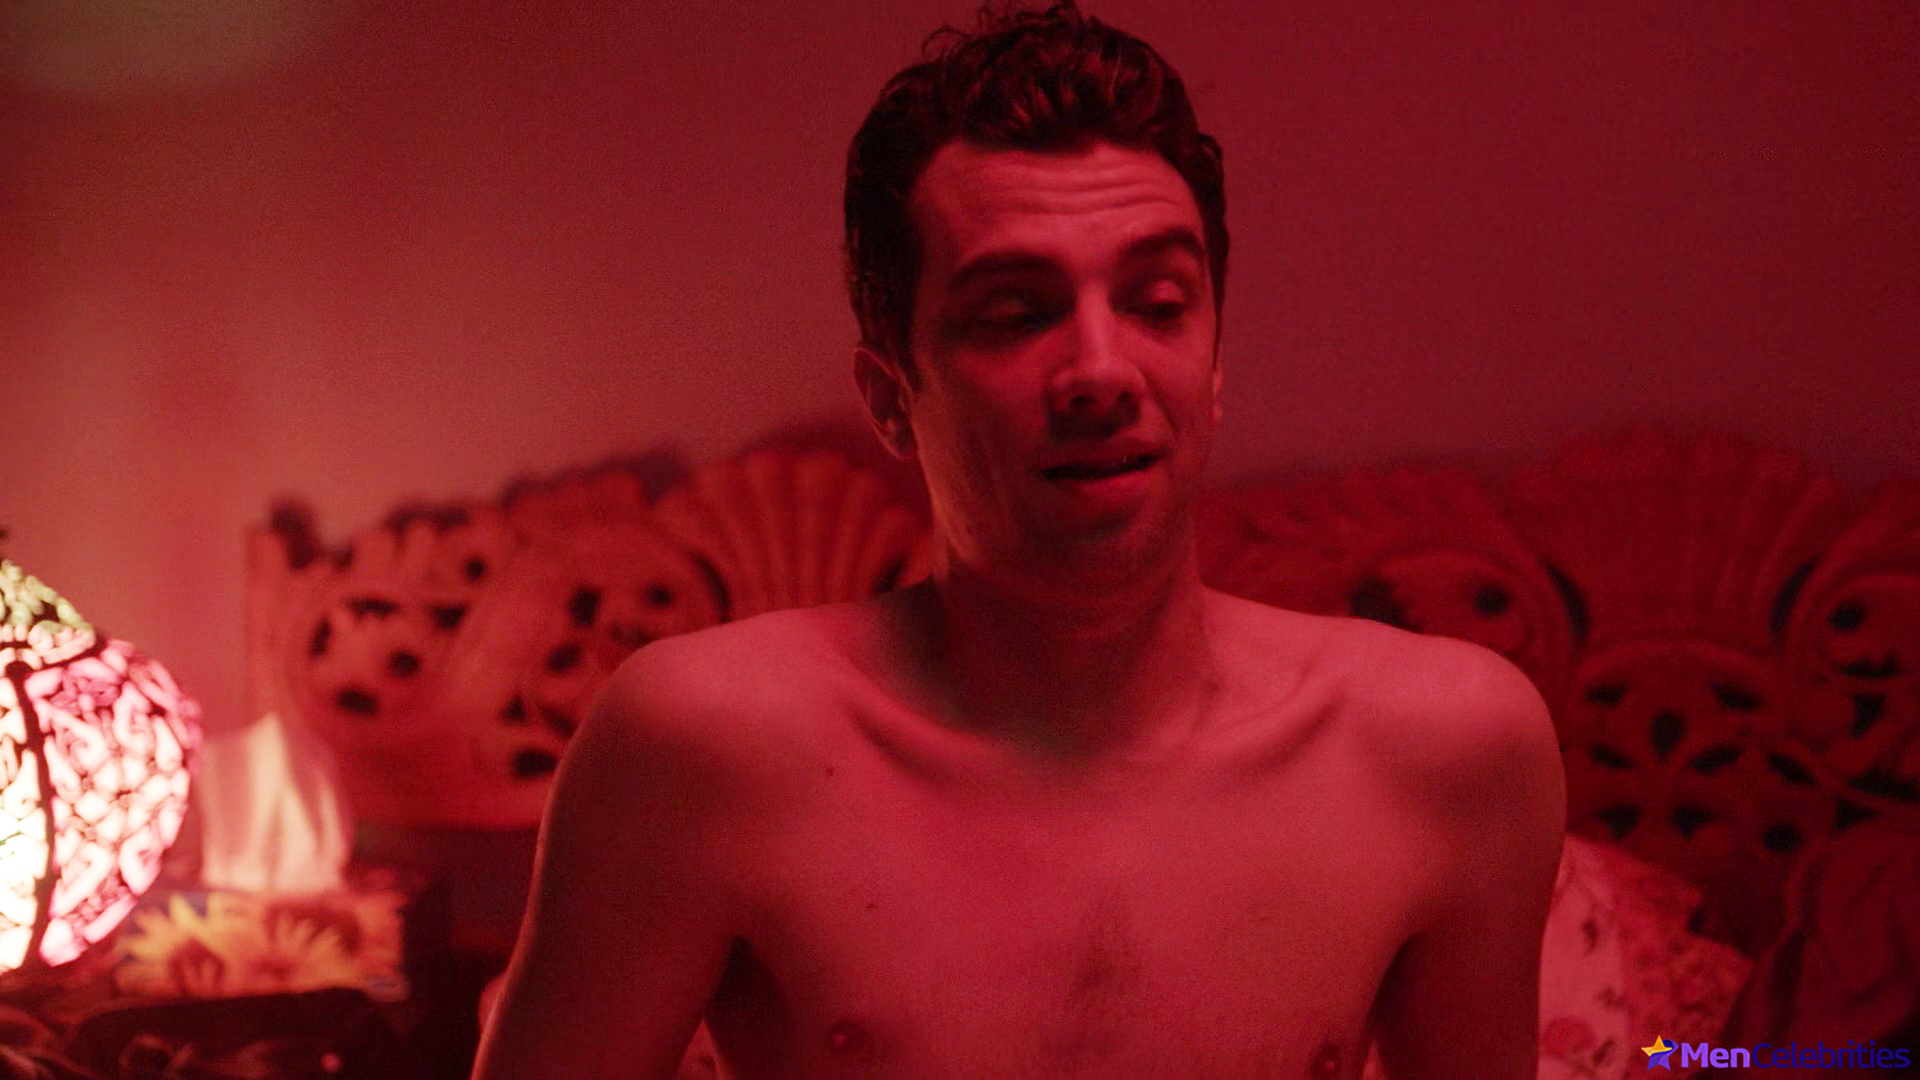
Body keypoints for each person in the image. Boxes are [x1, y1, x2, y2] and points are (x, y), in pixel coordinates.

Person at [472, 4, 1565, 1078]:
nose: (1102, 371)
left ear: (1214, 363)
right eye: (1014, 313)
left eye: (1158, 302)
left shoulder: (1446, 756)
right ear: (891, 399)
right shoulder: (699, 751)